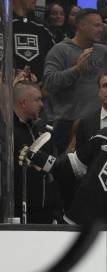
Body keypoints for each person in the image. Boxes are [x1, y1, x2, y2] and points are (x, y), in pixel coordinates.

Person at [44, 8, 107, 153]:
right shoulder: (60, 50)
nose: (102, 29)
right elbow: (49, 84)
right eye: (96, 25)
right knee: (67, 173)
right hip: (68, 124)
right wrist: (76, 70)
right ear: (81, 25)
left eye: (102, 25)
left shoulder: (103, 51)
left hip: (98, 122)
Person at [13, 82, 61, 224]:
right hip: (15, 210)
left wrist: (56, 207)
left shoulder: (41, 129)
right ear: (23, 103)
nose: (42, 104)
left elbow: (52, 170)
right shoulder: (6, 131)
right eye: (37, 99)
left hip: (44, 210)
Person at [13, 0, 56, 83]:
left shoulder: (43, 28)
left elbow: (54, 61)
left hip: (36, 89)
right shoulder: (3, 24)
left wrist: (42, 81)